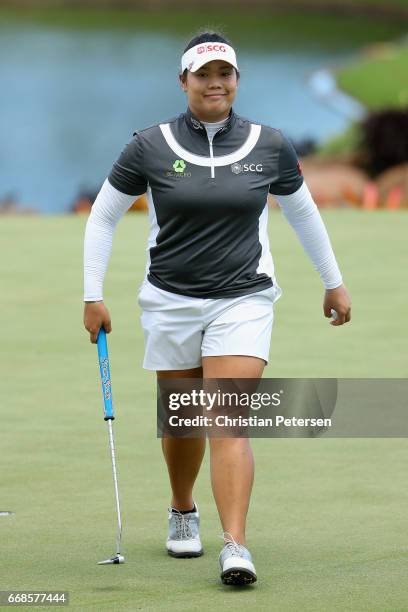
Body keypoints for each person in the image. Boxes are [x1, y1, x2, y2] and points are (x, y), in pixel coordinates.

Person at [83, 29, 351, 586]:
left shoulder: (269, 144)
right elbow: (104, 216)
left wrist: (334, 281)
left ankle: (235, 545)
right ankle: (183, 508)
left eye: (224, 73)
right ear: (183, 81)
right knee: (182, 424)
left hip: (243, 297)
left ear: (236, 80)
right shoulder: (148, 145)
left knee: (226, 419)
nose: (215, 83)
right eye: (203, 74)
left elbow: (303, 214)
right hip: (170, 300)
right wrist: (93, 293)